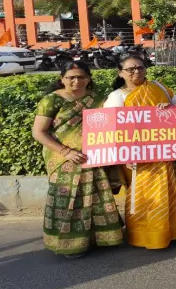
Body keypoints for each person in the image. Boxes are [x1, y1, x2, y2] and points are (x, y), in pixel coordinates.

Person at [32, 61, 123, 258]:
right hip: (63, 158)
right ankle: (69, 243)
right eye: (70, 77)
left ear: (88, 78)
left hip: (95, 155)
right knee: (68, 199)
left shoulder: (97, 99)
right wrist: (66, 151)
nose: (76, 81)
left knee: (96, 196)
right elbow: (39, 132)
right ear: (62, 79)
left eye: (81, 76)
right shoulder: (51, 100)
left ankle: (98, 238)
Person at [103, 54, 176, 249]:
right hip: (135, 158)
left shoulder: (159, 87)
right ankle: (144, 236)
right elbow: (111, 130)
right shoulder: (117, 96)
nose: (137, 72)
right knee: (143, 196)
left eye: (140, 67)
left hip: (163, 153)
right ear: (120, 73)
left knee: (169, 191)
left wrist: (168, 108)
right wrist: (123, 156)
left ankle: (173, 230)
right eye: (130, 69)